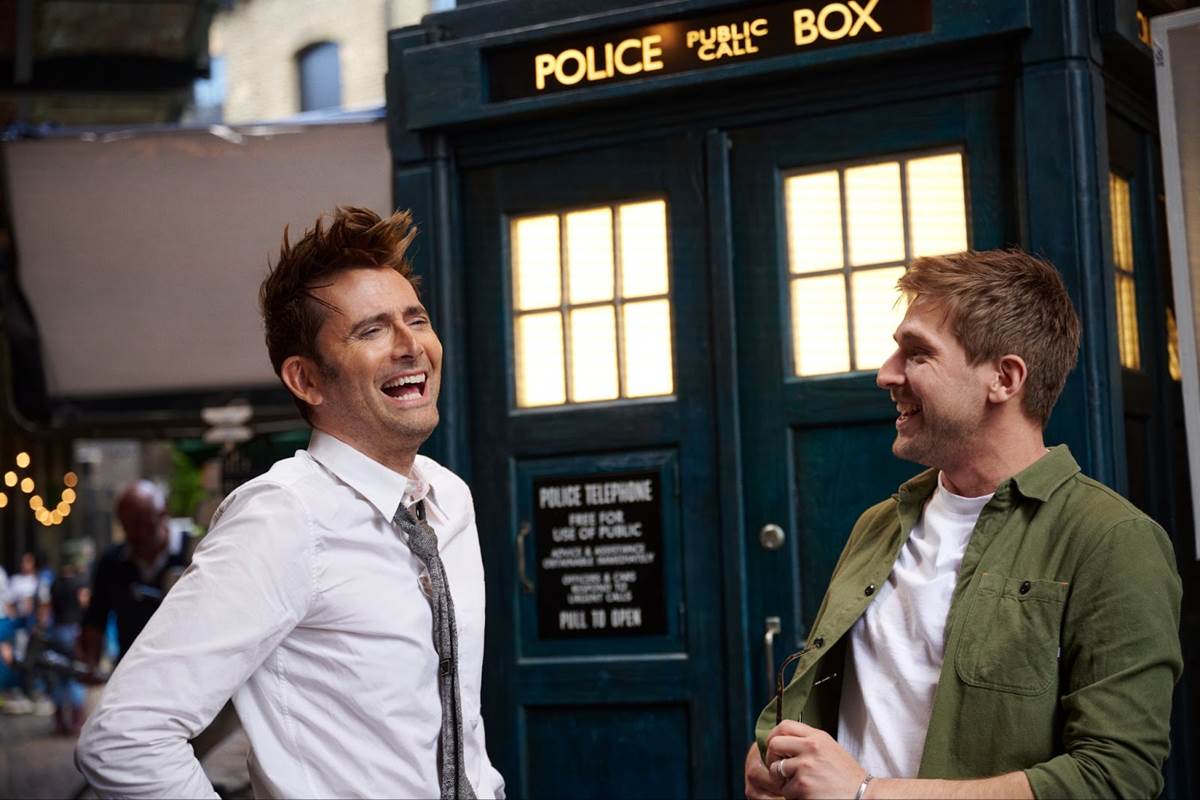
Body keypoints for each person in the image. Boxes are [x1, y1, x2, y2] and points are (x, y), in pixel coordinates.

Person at [77, 207, 504, 799]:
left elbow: (455, 724)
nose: (412, 346)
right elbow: (124, 737)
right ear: (306, 380)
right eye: (372, 330)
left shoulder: (448, 498)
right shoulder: (282, 516)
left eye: (417, 319)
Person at [745, 250, 1182, 799]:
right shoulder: (878, 525)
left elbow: (1116, 777)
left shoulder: (1113, 540)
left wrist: (867, 794)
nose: (886, 374)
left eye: (917, 353)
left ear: (1004, 378)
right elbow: (838, 700)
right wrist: (776, 750)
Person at [78, 481, 188, 671]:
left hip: (185, 668)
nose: (137, 533)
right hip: (132, 671)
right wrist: (90, 661)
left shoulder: (193, 552)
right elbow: (95, 618)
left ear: (163, 514)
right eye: (128, 525)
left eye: (143, 523)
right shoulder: (112, 562)